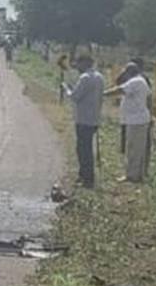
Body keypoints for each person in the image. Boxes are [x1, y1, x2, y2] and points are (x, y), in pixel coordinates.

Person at [105, 62, 151, 183]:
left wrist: (103, 94)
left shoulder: (135, 81)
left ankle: (132, 176)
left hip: (136, 120)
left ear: (130, 71)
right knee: (136, 149)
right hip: (137, 119)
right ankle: (137, 174)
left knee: (133, 149)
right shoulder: (140, 81)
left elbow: (119, 90)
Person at [65, 54, 104, 188]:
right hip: (94, 118)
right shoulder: (100, 77)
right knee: (87, 148)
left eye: (78, 63)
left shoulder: (85, 78)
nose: (77, 66)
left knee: (83, 149)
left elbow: (75, 96)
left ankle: (86, 178)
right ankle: (86, 176)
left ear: (85, 63)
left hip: (83, 119)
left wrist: (67, 89)